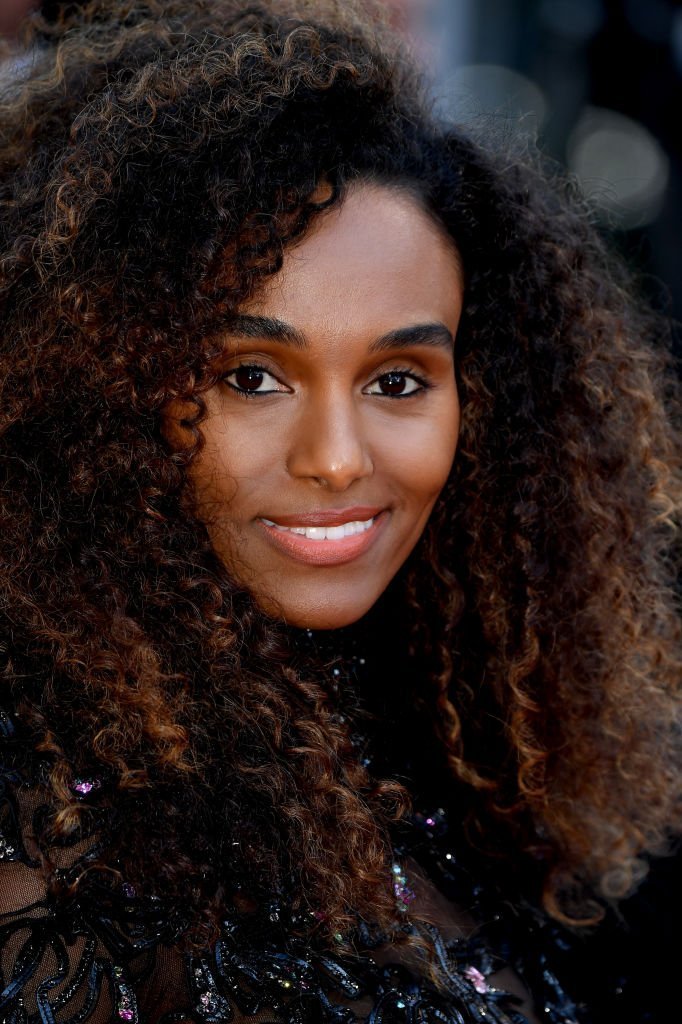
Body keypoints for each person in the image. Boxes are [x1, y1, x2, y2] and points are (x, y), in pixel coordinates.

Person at [0, 1, 680, 1021]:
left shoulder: (484, 751)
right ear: (96, 389)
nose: (335, 459)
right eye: (250, 377)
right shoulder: (43, 856)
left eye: (399, 380)